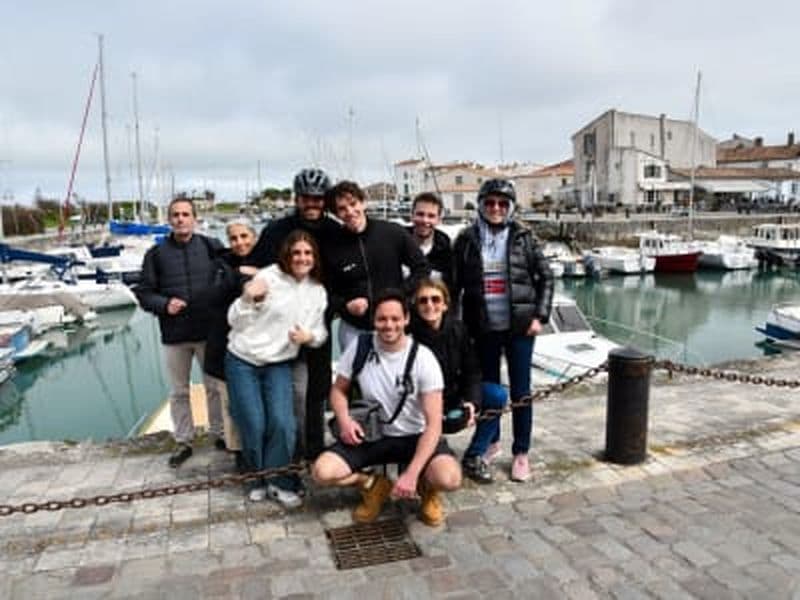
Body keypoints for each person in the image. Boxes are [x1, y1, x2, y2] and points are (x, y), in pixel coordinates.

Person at [312, 288, 461, 527]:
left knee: (449, 478)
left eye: (395, 319)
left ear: (406, 319)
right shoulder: (360, 347)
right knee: (322, 472)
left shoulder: (423, 358)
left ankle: (426, 487)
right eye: (382, 319)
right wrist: (345, 420)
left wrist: (412, 474)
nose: (389, 325)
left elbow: (434, 425)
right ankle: (372, 485)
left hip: (415, 436)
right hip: (373, 435)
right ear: (374, 320)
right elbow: (338, 390)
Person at [453, 178, 554, 483]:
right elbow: (454, 286)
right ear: (481, 205)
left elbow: (546, 278)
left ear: (510, 207)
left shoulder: (524, 237)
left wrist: (540, 317)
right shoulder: (466, 239)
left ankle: (521, 452)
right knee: (491, 392)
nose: (495, 208)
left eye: (502, 203)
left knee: (521, 392)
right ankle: (491, 442)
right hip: (483, 328)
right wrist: (456, 326)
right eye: (490, 202)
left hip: (519, 328)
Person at [225, 230, 328, 508]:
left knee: (283, 423)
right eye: (296, 253)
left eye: (308, 253)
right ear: (286, 255)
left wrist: (309, 337)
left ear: (315, 257)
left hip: (279, 362)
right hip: (243, 359)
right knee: (253, 422)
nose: (302, 258)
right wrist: (248, 299)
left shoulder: (317, 290)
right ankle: (256, 479)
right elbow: (234, 320)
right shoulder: (268, 277)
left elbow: (320, 332)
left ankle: (280, 481)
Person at [249, 168, 339, 461]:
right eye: (306, 198)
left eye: (318, 198)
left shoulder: (335, 231)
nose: (312, 204)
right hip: (280, 326)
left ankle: (314, 448)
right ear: (297, 198)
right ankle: (287, 451)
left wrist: (337, 305)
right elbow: (255, 268)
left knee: (318, 387)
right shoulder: (276, 230)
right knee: (283, 391)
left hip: (318, 321)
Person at [136, 198, 225, 468]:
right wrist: (164, 304)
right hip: (175, 335)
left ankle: (220, 434)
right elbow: (144, 293)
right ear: (169, 220)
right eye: (175, 215)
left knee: (214, 388)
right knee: (178, 392)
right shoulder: (156, 254)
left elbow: (229, 279)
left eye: (185, 214)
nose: (180, 219)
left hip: (208, 331)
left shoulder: (211, 246)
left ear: (194, 218)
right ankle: (184, 441)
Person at [408, 279, 508, 483]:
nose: (429, 305)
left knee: (496, 395)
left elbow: (472, 370)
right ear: (416, 306)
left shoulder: (458, 330)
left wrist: (472, 402)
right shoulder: (409, 336)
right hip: (421, 405)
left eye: (435, 299)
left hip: (453, 397)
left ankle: (474, 456)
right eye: (423, 301)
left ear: (445, 304)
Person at [325, 180, 430, 352]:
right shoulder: (332, 246)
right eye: (342, 209)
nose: (350, 212)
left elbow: (422, 269)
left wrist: (398, 295)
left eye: (353, 204)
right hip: (354, 329)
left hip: (393, 324)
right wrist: (345, 306)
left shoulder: (393, 232)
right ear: (336, 214)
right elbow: (328, 291)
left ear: (363, 203)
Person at [203, 219, 259, 462]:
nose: (239, 242)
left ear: (254, 237)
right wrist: (239, 277)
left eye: (244, 236)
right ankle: (239, 454)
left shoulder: (267, 262)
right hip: (226, 347)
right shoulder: (219, 265)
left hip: (261, 347)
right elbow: (212, 296)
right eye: (234, 238)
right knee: (231, 405)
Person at [406, 192, 453, 293]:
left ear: (438, 220)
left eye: (431, 216)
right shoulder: (396, 244)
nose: (424, 220)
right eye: (420, 214)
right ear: (411, 215)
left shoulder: (446, 253)